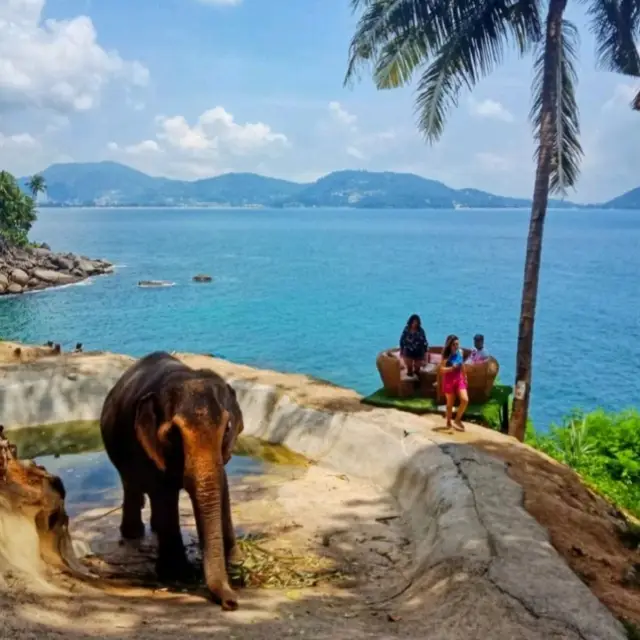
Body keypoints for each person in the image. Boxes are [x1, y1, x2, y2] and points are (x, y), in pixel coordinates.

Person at [440, 334, 468, 431]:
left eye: (457, 344)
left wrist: (465, 376)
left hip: (459, 379)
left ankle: (457, 419)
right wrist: (452, 368)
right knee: (450, 404)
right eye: (454, 344)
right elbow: (441, 369)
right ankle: (448, 421)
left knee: (465, 400)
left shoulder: (460, 352)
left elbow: (462, 364)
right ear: (450, 345)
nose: (456, 346)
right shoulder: (446, 356)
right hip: (449, 380)